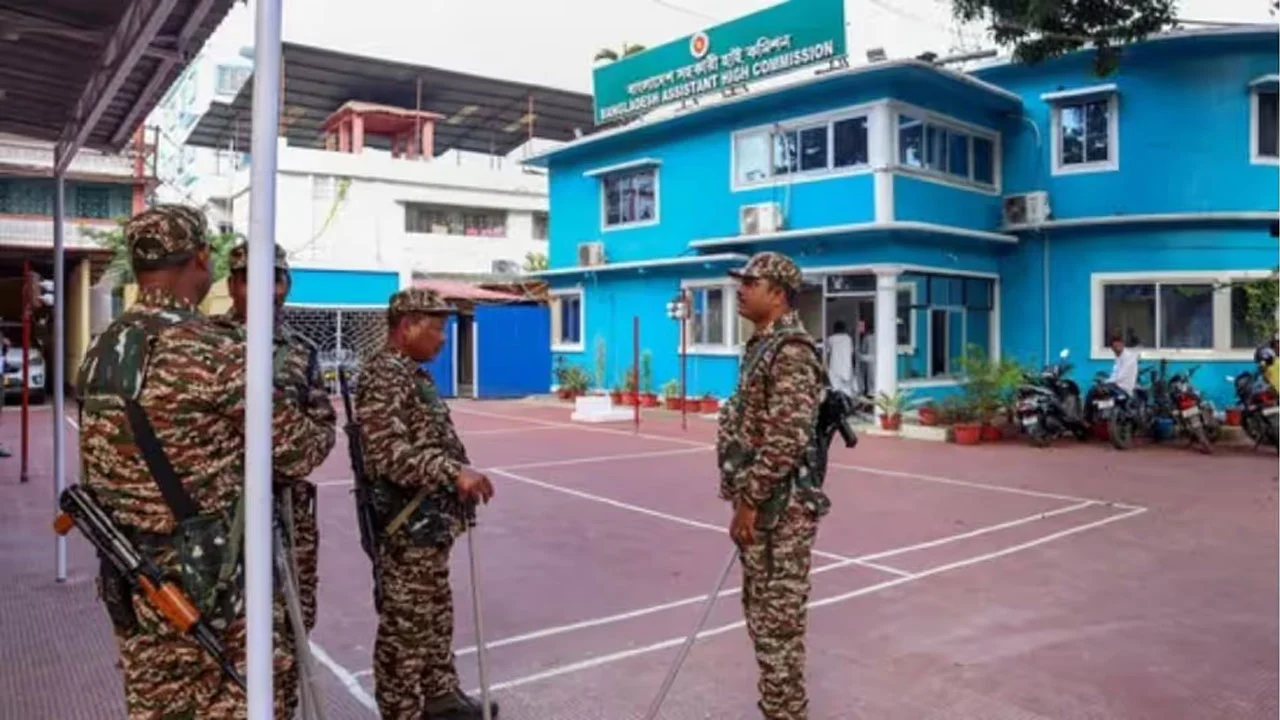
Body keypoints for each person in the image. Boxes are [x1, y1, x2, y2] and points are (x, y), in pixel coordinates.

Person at [75, 205, 336, 719]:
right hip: (211, 586)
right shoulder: (216, 351)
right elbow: (300, 451)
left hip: (132, 574)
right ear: (201, 257)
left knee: (156, 705)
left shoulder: (102, 347)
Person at [355, 287, 497, 720]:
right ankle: (401, 710)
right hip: (405, 527)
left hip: (427, 523)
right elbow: (387, 454)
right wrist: (452, 472)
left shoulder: (410, 373)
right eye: (435, 328)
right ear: (406, 326)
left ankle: (440, 699)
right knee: (406, 629)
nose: (443, 338)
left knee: (433, 616)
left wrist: (456, 470)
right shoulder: (385, 375)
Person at [222, 240, 336, 716]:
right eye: (250, 278)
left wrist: (286, 453)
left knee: (291, 625)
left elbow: (323, 427)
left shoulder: (301, 352)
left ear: (286, 286)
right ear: (233, 285)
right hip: (221, 516)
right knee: (229, 627)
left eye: (275, 278)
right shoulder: (208, 344)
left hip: (288, 514)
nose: (265, 288)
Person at [717, 251, 828, 720]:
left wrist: (749, 500)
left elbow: (787, 438)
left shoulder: (792, 352)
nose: (740, 290)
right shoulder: (763, 346)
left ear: (778, 294)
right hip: (765, 506)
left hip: (780, 510)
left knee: (777, 625)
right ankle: (778, 708)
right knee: (763, 620)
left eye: (751, 283)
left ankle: (787, 713)